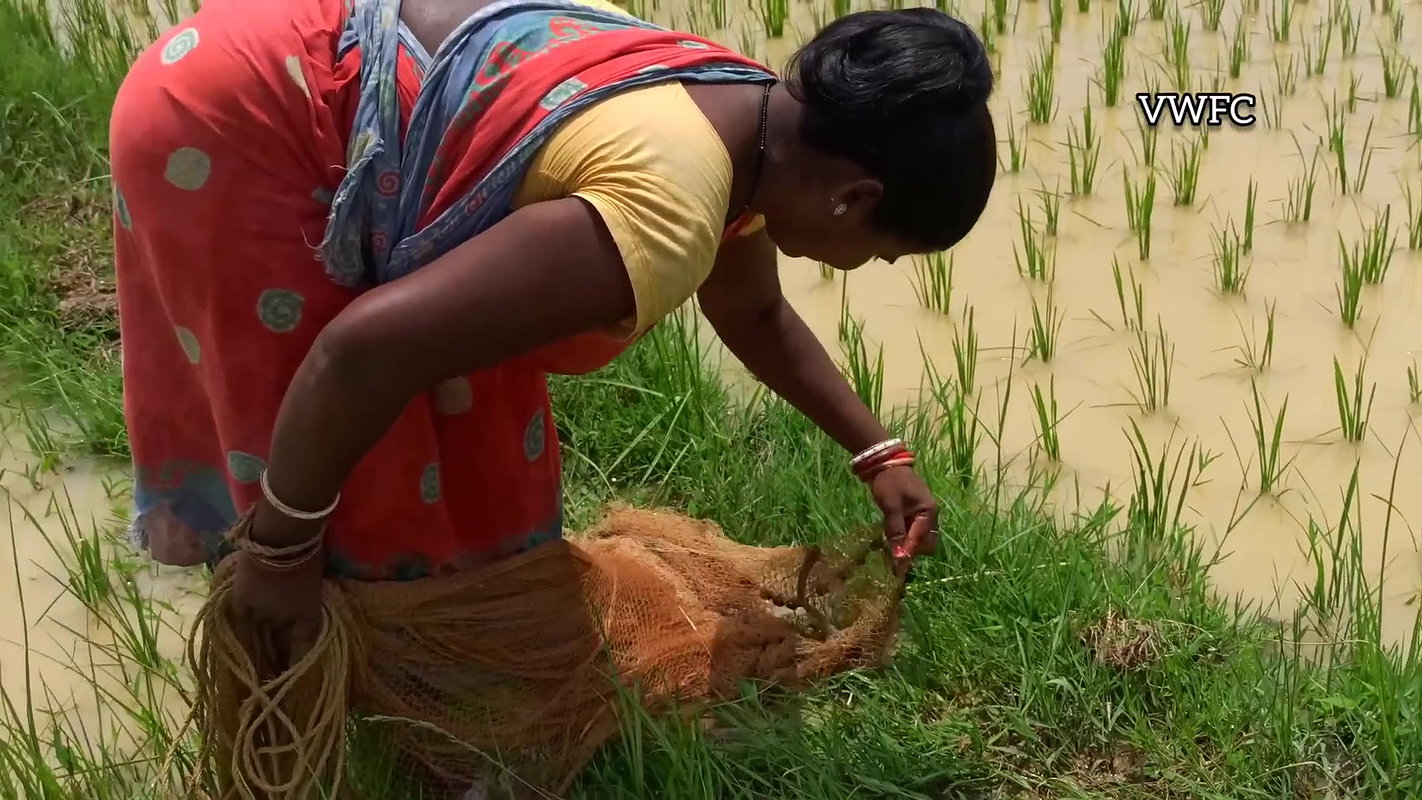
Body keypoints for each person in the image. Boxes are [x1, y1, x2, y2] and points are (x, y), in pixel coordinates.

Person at [112, 0, 993, 755]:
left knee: (472, 438)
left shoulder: (752, 115)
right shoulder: (670, 201)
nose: (867, 268)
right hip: (242, 119)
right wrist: (282, 548)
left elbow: (753, 311)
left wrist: (878, 451)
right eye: (883, 252)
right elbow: (358, 354)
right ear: (854, 200)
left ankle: (429, 701)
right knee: (347, 475)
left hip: (313, 68)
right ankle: (333, 712)